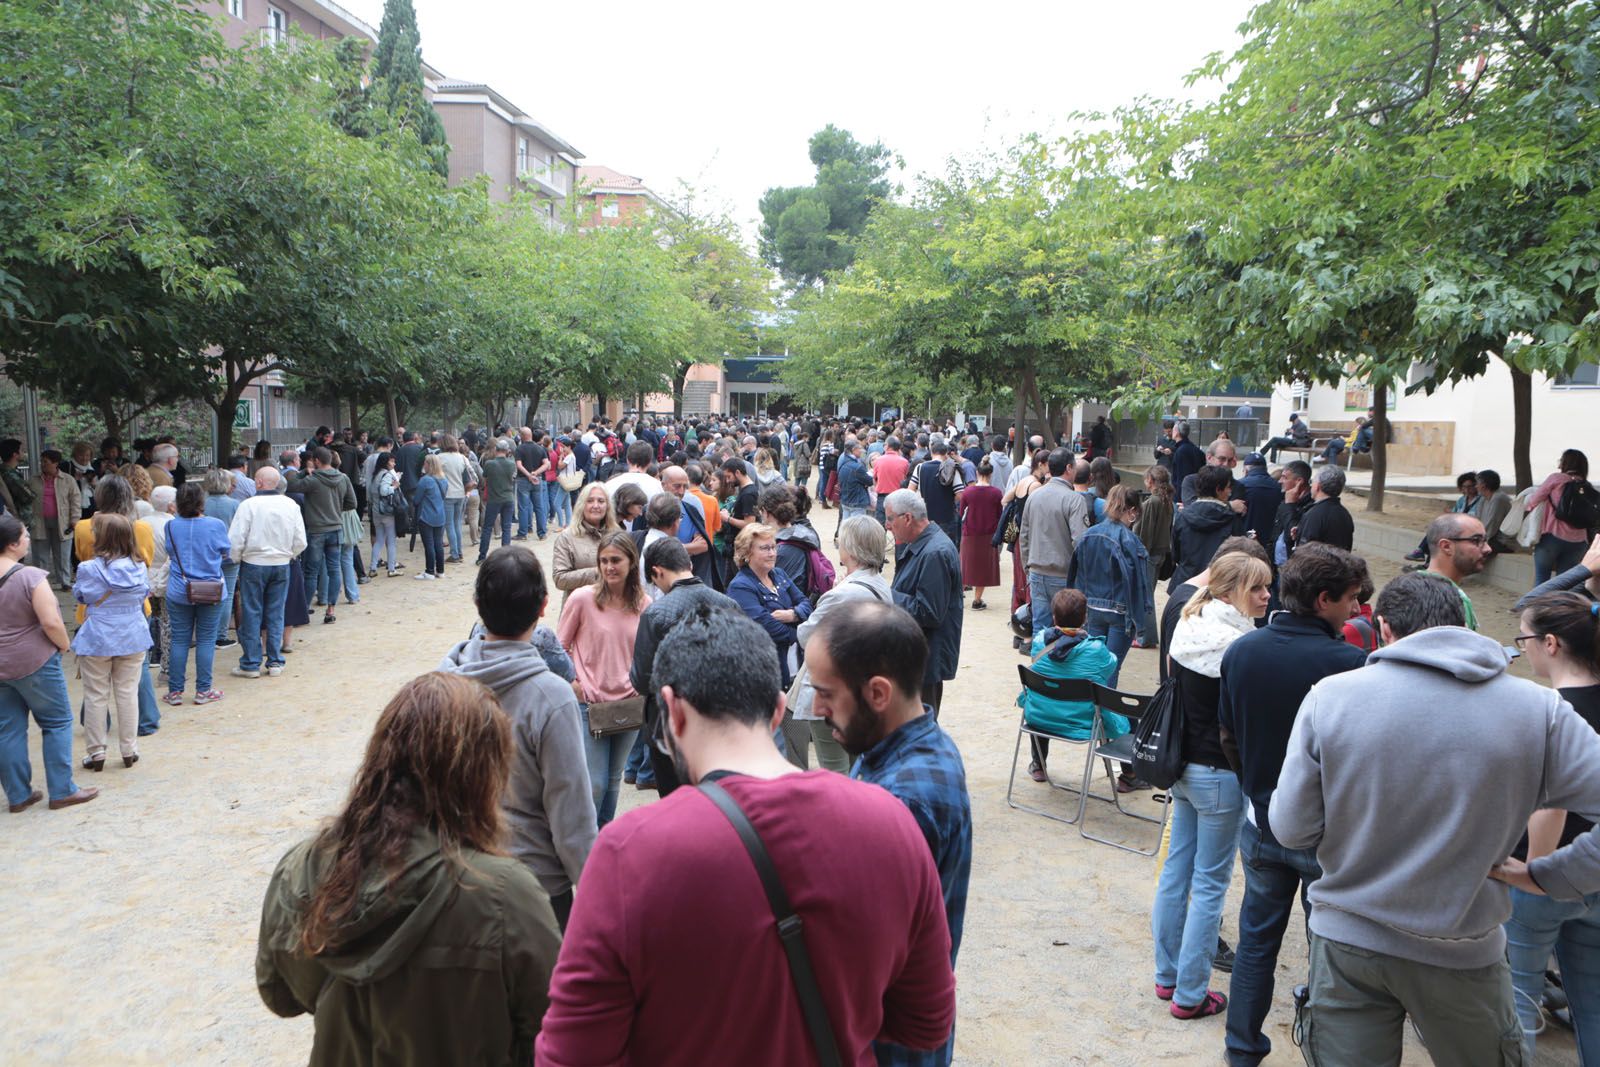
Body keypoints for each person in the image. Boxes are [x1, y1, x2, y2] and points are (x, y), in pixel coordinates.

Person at [535, 609, 957, 1066]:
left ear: (673, 711)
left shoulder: (628, 852)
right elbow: (927, 1022)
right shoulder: (890, 822)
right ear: (778, 710)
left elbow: (571, 1055)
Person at [1271, 572, 1600, 1065]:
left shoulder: (1331, 698)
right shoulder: (1539, 710)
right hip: (1463, 948)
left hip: (1349, 941)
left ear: (1383, 629)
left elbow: (1291, 828)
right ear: (1460, 624)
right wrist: (1550, 875)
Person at [257, 672, 562, 1065]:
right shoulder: (505, 895)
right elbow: (553, 1028)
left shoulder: (302, 866)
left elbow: (278, 994)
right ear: (483, 773)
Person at [1216, 545, 1371, 1066]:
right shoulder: (1351, 665)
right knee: (1326, 948)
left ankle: (1241, 1047)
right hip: (1326, 833)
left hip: (1262, 822)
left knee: (1256, 942)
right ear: (1323, 599)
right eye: (1350, 599)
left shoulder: (1243, 651)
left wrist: (1259, 790)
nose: (1356, 609)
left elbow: (1228, 735)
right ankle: (1324, 1049)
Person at [806, 600, 973, 1067]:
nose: (817, 708)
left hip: (889, 1045)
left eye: (826, 693)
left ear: (878, 693)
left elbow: (863, 955)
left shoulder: (906, 802)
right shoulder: (895, 741)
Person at [440, 547, 596, 930]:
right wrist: (597, 897)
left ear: (477, 604)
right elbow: (570, 814)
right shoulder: (551, 695)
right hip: (535, 891)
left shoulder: (441, 685)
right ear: (544, 607)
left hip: (456, 878)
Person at [1153, 551, 1272, 1020]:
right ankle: (1189, 994)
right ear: (1229, 591)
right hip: (1219, 775)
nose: (1266, 596)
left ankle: (1168, 978)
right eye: (1258, 588)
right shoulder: (1239, 645)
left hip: (1182, 768)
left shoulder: (1189, 623)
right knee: (1207, 885)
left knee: (1176, 874)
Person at [1503, 591, 1600, 1062]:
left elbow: (1550, 803)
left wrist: (1537, 871)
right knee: (1595, 1003)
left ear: (1552, 644)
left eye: (1525, 639)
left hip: (1546, 874)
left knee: (1517, 999)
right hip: (1595, 873)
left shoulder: (1553, 711)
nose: (1523, 649)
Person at [630, 537, 742, 797]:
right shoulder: (729, 604)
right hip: (721, 720)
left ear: (657, 572)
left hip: (671, 725)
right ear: (689, 563)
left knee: (676, 803)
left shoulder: (656, 614)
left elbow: (642, 679)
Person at [0, 514, 97, 811]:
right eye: (26, 536)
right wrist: (65, 646)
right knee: (56, 722)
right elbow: (52, 622)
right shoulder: (30, 577)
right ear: (14, 544)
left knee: (8, 728)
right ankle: (62, 789)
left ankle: (18, 795)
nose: (29, 539)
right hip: (35, 661)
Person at [784, 515, 892, 773]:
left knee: (834, 771)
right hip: (861, 687)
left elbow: (806, 636)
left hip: (832, 691)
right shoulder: (880, 584)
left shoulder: (843, 594)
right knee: (856, 768)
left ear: (851, 549)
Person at [557, 532, 648, 829]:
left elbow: (647, 651)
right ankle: (584, 842)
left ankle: (602, 838)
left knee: (612, 780)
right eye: (604, 561)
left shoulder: (642, 603)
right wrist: (573, 683)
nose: (609, 567)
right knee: (593, 783)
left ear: (631, 563)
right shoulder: (582, 599)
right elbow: (560, 646)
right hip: (589, 703)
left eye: (616, 560)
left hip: (628, 702)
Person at [72, 512, 154, 772]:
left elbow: (83, 596)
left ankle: (96, 752)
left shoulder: (88, 568)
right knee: (128, 693)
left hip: (98, 635)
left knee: (96, 695)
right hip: (132, 633)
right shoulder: (139, 566)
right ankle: (129, 749)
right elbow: (143, 593)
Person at [1021, 588, 1123, 783]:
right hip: (1084, 720)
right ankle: (1129, 775)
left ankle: (1038, 765)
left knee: (1044, 697)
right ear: (1085, 617)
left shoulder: (1040, 641)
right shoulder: (1095, 648)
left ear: (1053, 616)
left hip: (1041, 717)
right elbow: (1111, 665)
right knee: (1123, 713)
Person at [885, 489, 964, 717]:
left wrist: (886, 596)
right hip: (917, 655)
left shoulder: (934, 553)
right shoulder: (923, 544)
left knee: (918, 727)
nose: (887, 525)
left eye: (890, 519)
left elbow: (929, 612)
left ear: (907, 518)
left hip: (924, 659)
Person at [229, 466, 307, 679]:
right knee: (276, 611)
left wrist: (236, 558)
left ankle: (251, 663)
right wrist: (288, 555)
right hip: (282, 563)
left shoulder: (248, 505)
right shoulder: (290, 505)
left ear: (259, 483)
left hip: (253, 563)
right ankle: (275, 661)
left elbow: (236, 538)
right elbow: (301, 540)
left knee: (252, 612)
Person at [1067, 484, 1151, 682]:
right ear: (1132, 511)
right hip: (1120, 612)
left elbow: (1075, 574)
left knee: (1095, 665)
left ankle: (1093, 709)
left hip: (1092, 607)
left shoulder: (1088, 534)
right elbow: (1139, 583)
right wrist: (1140, 620)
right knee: (1111, 668)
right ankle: (1104, 711)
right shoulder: (1130, 540)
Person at [163, 483, 232, 706]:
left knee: (180, 640)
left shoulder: (171, 526)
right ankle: (203, 690)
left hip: (179, 589)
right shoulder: (215, 525)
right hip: (211, 588)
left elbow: (171, 552)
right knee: (206, 640)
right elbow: (225, 552)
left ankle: (175, 692)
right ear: (202, 502)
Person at [728, 523, 813, 691]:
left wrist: (793, 615)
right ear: (747, 552)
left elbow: (806, 603)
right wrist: (802, 634)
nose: (772, 553)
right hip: (767, 671)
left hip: (795, 664)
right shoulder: (740, 587)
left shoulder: (779, 574)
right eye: (765, 548)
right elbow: (767, 628)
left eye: (774, 547)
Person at [1018, 448, 1092, 636]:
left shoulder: (1034, 496)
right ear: (1069, 468)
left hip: (1036, 572)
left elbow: (1024, 537)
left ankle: (1040, 664)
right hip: (1063, 576)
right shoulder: (1074, 500)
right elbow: (1081, 542)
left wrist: (1027, 568)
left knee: (1040, 629)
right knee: (1068, 630)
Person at [286, 447, 357, 620]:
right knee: (334, 570)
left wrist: (303, 472)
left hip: (316, 530)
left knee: (311, 572)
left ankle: (304, 609)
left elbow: (291, 484)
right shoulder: (343, 478)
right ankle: (331, 609)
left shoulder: (313, 480)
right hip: (336, 528)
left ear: (316, 461)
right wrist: (336, 510)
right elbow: (352, 502)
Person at [1169, 465, 1248, 593]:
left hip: (1185, 584)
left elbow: (1176, 554)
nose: (1230, 492)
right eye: (1228, 487)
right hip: (1217, 587)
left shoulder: (1182, 517)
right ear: (1218, 489)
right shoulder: (1232, 520)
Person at [1529, 449, 1595, 585]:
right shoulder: (1587, 487)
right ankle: (1559, 607)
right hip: (1579, 542)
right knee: (1562, 585)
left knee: (1542, 581)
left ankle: (1539, 606)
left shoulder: (1556, 479)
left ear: (1565, 463)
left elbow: (1533, 501)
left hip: (1552, 538)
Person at [552, 483, 619, 612]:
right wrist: (597, 572)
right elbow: (559, 579)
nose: (596, 506)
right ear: (582, 505)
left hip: (611, 608)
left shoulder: (617, 534)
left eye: (601, 501)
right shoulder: (567, 538)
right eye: (590, 501)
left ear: (608, 506)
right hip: (579, 611)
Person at [1420, 511, 1488, 629]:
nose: (1488, 549)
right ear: (1446, 546)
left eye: (1485, 540)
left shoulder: (1404, 588)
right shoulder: (1455, 601)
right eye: (1476, 540)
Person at [26, 449, 78, 590]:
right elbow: (26, 501)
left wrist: (74, 519)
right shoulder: (33, 480)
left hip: (63, 522)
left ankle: (65, 582)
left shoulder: (68, 480)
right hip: (39, 522)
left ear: (56, 463)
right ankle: (39, 582)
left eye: (46, 462)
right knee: (40, 553)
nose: (42, 464)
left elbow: (75, 501)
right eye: (41, 461)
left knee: (62, 553)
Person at [1134, 467, 1175, 644]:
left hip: (1149, 554)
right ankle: (1145, 635)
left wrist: (1140, 554)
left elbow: (1146, 533)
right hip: (1160, 553)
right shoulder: (1167, 502)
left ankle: (1145, 637)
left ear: (1150, 480)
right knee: (1147, 594)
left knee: (1145, 596)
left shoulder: (1153, 502)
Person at [959, 458, 1002, 609]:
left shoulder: (968, 492)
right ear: (991, 474)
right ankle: (977, 600)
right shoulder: (996, 493)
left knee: (966, 565)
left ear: (977, 473)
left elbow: (961, 512)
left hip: (970, 533)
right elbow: (999, 514)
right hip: (988, 534)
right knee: (983, 568)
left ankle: (958, 596)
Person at [908, 436, 967, 546]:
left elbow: (910, 491)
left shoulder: (920, 467)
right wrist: (948, 500)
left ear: (931, 453)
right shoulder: (952, 468)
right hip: (947, 516)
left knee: (926, 546)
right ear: (946, 454)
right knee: (946, 548)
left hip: (925, 517)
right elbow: (960, 494)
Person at [1290, 464, 1354, 553]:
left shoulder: (1314, 514)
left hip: (1317, 565)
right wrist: (1301, 532)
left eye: (1312, 482)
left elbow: (1304, 553)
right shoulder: (1344, 514)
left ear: (1317, 486)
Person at [1231, 453, 1282, 555]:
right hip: (1270, 543)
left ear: (1245, 470)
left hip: (1243, 542)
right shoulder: (1279, 486)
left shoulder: (1239, 485)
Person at [411, 454, 447, 581]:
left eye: (425, 463)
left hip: (426, 516)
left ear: (429, 465)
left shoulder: (425, 480)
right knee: (438, 543)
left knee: (429, 544)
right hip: (440, 515)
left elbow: (416, 500)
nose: (423, 465)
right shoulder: (444, 479)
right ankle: (441, 570)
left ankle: (430, 571)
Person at [434, 433, 469, 562]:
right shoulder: (462, 458)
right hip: (461, 493)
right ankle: (459, 552)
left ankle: (454, 554)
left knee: (449, 525)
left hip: (447, 494)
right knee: (457, 524)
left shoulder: (438, 458)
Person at [367, 452, 402, 576]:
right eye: (392, 461)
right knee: (391, 540)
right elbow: (384, 491)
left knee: (379, 540)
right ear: (387, 462)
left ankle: (373, 568)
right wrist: (394, 486)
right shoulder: (386, 475)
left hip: (376, 512)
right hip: (387, 512)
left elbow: (371, 493)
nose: (394, 463)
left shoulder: (375, 475)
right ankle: (391, 568)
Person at [513, 427, 550, 542]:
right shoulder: (540, 449)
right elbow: (546, 464)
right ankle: (542, 533)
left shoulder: (519, 449)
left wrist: (528, 475)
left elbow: (519, 465)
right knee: (539, 507)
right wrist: (536, 473)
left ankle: (523, 533)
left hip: (523, 480)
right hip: (537, 479)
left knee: (523, 507)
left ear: (523, 436)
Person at [1179, 438, 1239, 507]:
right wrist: (1229, 505)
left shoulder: (1237, 486)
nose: (1226, 464)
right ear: (1209, 457)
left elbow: (1193, 508)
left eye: (1230, 460)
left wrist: (1193, 507)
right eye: (1222, 459)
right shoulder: (1191, 481)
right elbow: (1192, 507)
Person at [1476, 469, 1517, 555]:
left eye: (1477, 483)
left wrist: (1477, 541)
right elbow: (1477, 521)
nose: (1476, 486)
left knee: (1469, 551)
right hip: (1488, 539)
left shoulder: (1498, 499)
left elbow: (1492, 525)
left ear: (1484, 485)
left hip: (1503, 542)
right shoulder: (1482, 499)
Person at [1170, 421, 1207, 489]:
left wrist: (1178, 497)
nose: (1172, 432)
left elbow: (1181, 478)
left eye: (1173, 430)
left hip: (1183, 495)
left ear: (1177, 432)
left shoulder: (1181, 451)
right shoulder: (1196, 449)